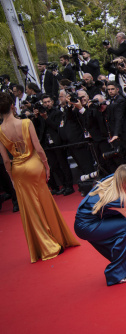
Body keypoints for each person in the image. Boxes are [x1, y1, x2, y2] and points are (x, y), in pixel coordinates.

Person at [0, 92, 80, 263]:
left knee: (30, 207)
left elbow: (6, 160)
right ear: (13, 106)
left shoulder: (0, 131)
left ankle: (45, 245)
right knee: (45, 201)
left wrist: (11, 177)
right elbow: (38, 147)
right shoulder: (26, 122)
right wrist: (46, 165)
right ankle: (59, 238)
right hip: (34, 164)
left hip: (18, 169)